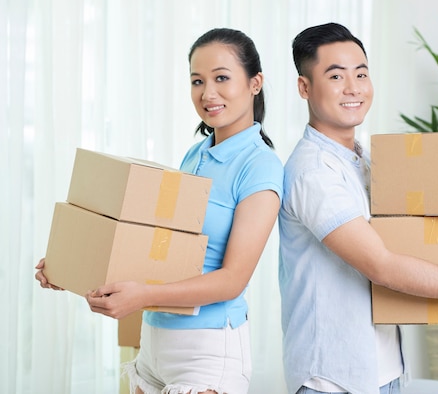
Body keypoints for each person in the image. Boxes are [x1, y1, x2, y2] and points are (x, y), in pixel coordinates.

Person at [278, 22, 438, 394]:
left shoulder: (364, 162)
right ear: (305, 87)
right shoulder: (313, 172)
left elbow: (419, 243)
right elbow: (382, 264)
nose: (353, 88)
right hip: (333, 379)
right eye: (336, 76)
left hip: (382, 371)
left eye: (361, 74)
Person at [36, 27, 284, 394]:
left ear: (255, 83)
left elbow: (233, 279)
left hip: (209, 351)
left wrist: (143, 296)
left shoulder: (260, 166)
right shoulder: (195, 154)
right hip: (155, 340)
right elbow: (160, 247)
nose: (207, 93)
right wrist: (72, 268)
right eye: (197, 81)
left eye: (221, 78)